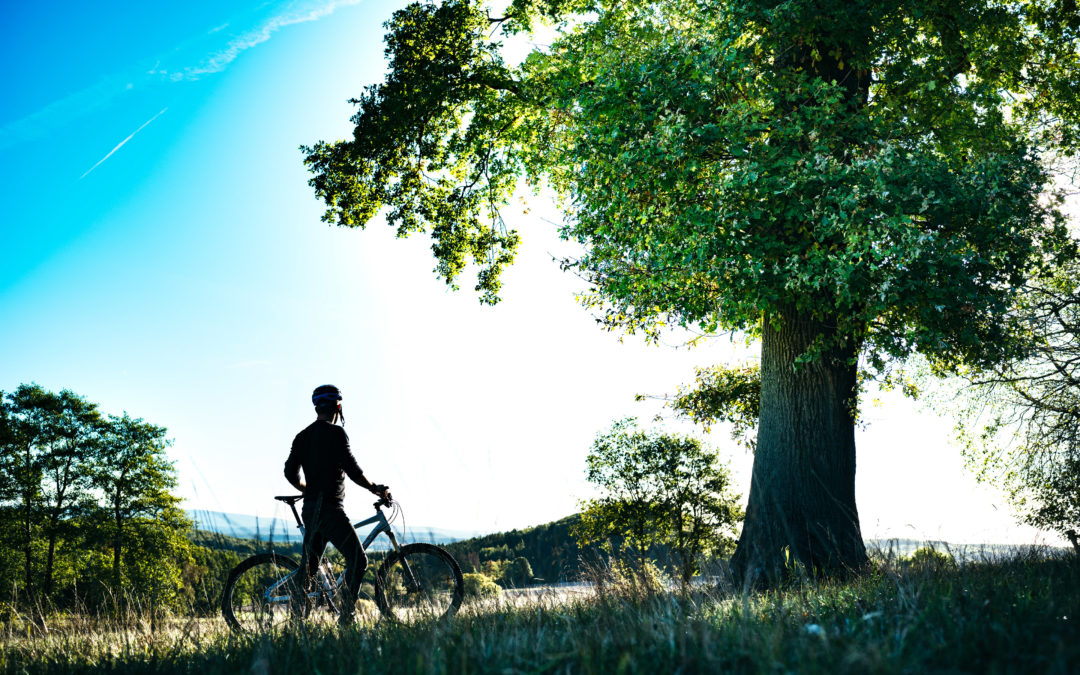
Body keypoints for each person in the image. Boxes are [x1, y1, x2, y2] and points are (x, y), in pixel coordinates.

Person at [284, 384, 389, 626]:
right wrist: (375, 488)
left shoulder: (302, 437)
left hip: (311, 509)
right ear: (338, 406)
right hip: (330, 510)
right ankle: (346, 618)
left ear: (316, 407)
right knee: (359, 561)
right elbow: (353, 470)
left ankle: (297, 620)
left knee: (309, 568)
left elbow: (289, 472)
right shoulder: (336, 434)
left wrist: (306, 489)